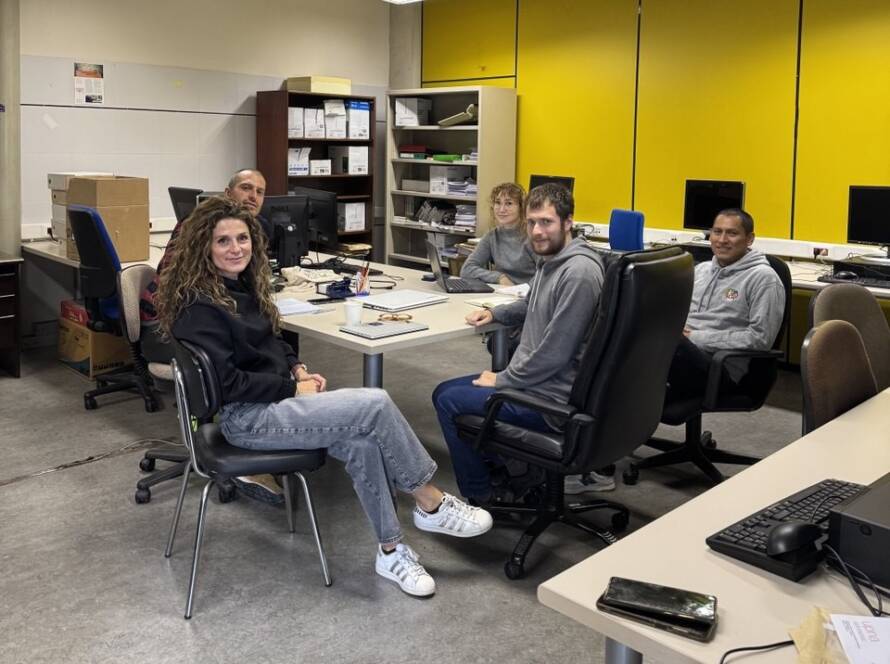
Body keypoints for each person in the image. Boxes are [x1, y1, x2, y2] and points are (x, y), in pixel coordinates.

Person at [155, 197, 493, 598]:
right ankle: (429, 501)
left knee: (364, 441)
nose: (236, 248)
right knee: (376, 403)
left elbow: (272, 341)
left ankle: (391, 551)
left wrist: (296, 368)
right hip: (247, 419)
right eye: (223, 241)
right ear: (203, 249)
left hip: (275, 405)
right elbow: (228, 384)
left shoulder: (240, 286)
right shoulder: (200, 307)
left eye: (242, 238)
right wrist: (290, 388)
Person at [432, 183, 605, 504]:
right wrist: (497, 312)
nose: (537, 231)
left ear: (568, 223)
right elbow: (531, 303)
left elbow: (555, 354)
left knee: (448, 400)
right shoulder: (555, 260)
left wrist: (502, 379)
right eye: (532, 222)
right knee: (446, 391)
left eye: (547, 222)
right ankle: (517, 470)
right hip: (538, 384)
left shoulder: (579, 273)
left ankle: (483, 496)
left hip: (550, 399)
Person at [666, 208, 785, 400]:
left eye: (732, 233)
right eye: (717, 231)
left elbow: (760, 339)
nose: (722, 240)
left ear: (749, 239)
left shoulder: (764, 279)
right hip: (682, 353)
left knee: (662, 348)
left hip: (720, 368)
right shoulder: (702, 270)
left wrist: (695, 337)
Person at [460, 182, 536, 286]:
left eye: (509, 203)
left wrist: (523, 290)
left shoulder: (533, 235)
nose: (501, 209)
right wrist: (499, 277)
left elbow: (546, 274)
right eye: (498, 203)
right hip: (502, 293)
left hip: (529, 296)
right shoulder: (492, 236)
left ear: (521, 207)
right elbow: (467, 270)